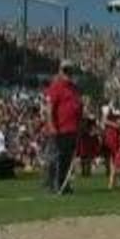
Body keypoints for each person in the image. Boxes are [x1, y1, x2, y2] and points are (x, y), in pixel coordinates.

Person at [44, 60, 83, 194]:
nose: (67, 73)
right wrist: (51, 125)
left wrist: (80, 125)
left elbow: (79, 107)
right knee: (54, 158)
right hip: (59, 129)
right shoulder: (56, 87)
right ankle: (51, 184)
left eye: (69, 70)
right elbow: (49, 108)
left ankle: (63, 184)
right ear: (60, 71)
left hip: (72, 129)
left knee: (67, 160)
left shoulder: (74, 88)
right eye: (65, 70)